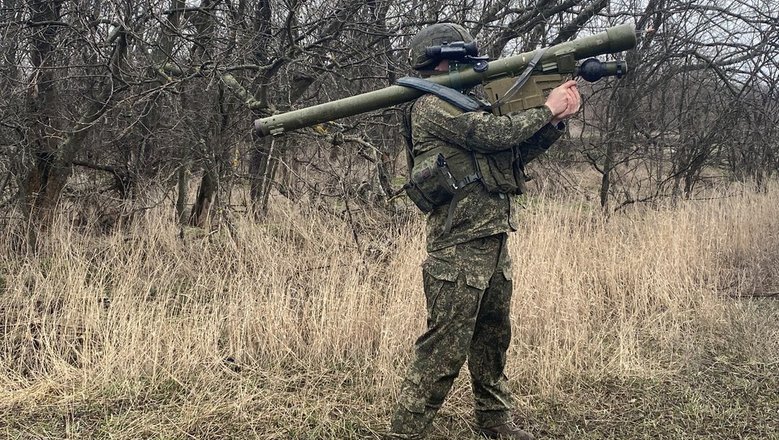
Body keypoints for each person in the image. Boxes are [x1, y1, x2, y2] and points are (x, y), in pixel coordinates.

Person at [388, 23, 581, 440]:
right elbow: (492, 135)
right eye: (453, 59)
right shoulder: (430, 106)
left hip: (493, 241)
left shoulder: (464, 102)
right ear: (438, 61)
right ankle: (404, 433)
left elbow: (513, 154)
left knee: (493, 341)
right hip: (457, 246)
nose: (462, 65)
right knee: (443, 350)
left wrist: (555, 122)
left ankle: (494, 423)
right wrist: (546, 107)